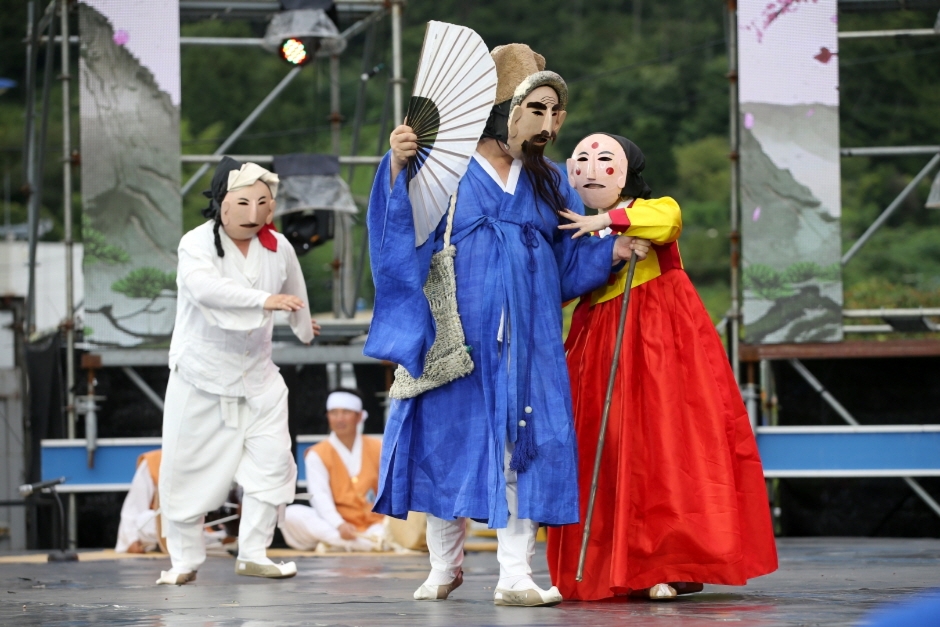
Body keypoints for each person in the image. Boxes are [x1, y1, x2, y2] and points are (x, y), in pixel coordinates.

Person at [365, 45, 649, 607]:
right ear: (503, 112)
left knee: (525, 448)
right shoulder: (439, 166)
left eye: (552, 112)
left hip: (529, 337)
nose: (546, 125)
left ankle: (515, 573)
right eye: (534, 110)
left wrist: (610, 249)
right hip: (459, 335)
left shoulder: (546, 181)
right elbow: (395, 231)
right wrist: (397, 165)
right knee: (448, 446)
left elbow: (569, 261)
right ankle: (444, 565)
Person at [546, 133, 778, 600]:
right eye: (582, 160)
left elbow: (667, 220)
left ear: (627, 171)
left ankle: (666, 563)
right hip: (599, 342)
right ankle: (600, 565)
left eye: (605, 159)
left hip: (661, 343)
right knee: (604, 448)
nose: (591, 169)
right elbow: (561, 284)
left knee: (665, 445)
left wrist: (605, 222)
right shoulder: (570, 227)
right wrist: (600, 247)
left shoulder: (647, 210)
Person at [157, 158, 321, 585]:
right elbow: (203, 288)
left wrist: (303, 328)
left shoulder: (278, 246)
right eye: (243, 201)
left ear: (272, 207)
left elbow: (295, 290)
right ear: (221, 205)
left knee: (273, 464)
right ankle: (184, 559)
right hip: (202, 376)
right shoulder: (196, 244)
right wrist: (264, 301)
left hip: (259, 376)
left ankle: (254, 551)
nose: (253, 213)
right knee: (186, 469)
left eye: (262, 202)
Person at [281, 389, 386, 552]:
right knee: (290, 514)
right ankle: (364, 544)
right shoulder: (317, 454)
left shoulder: (378, 447)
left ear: (359, 416)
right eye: (334, 413)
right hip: (336, 525)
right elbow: (319, 497)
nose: (339, 418)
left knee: (401, 522)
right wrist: (340, 524)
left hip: (375, 523)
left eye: (346, 412)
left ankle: (335, 544)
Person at [115, 450, 162, 554]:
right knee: (145, 521)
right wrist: (132, 539)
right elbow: (134, 507)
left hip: (202, 531)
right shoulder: (155, 460)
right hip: (171, 527)